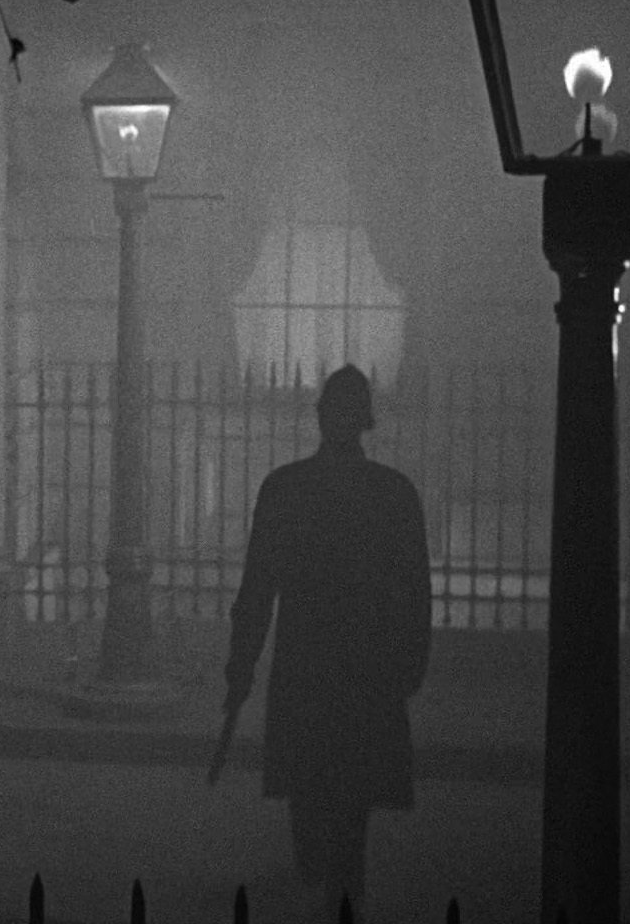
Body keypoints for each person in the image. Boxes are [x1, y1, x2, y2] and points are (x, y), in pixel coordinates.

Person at [211, 365, 432, 921]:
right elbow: (414, 592)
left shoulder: (285, 488)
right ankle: (340, 887)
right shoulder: (393, 493)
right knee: (351, 787)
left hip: (307, 660)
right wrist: (409, 665)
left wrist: (243, 663)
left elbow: (258, 587)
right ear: (366, 420)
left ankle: (317, 874)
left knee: (309, 780)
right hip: (365, 662)